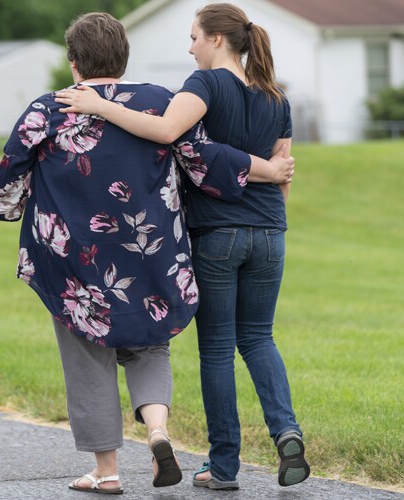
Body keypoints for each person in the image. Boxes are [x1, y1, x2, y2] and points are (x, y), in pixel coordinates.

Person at [0, 12, 292, 495]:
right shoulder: (160, 103)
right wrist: (269, 170)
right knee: (149, 345)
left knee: (87, 352)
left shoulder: (51, 108)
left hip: (73, 259)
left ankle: (107, 471)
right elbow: (205, 159)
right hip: (150, 250)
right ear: (123, 57)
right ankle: (159, 432)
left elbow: (8, 174)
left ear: (74, 62)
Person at [55, 2, 309, 491]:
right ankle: (286, 431)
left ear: (217, 39)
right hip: (271, 233)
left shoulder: (205, 86)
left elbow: (168, 132)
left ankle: (224, 467)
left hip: (217, 234)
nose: (189, 47)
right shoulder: (277, 99)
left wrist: (100, 105)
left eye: (194, 37)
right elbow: (283, 172)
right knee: (258, 338)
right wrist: (271, 224)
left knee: (216, 351)